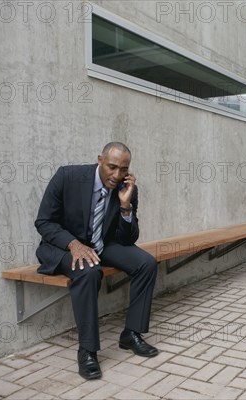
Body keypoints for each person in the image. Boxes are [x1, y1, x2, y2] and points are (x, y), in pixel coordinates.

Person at [35, 142, 158, 380]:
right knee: (89, 270)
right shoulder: (67, 177)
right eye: (112, 167)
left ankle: (131, 334)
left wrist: (125, 205)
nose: (117, 175)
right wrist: (73, 244)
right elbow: (44, 222)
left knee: (147, 263)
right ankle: (87, 350)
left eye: (123, 169)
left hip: (103, 244)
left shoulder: (126, 188)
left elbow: (129, 238)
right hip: (63, 247)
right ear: (100, 160)